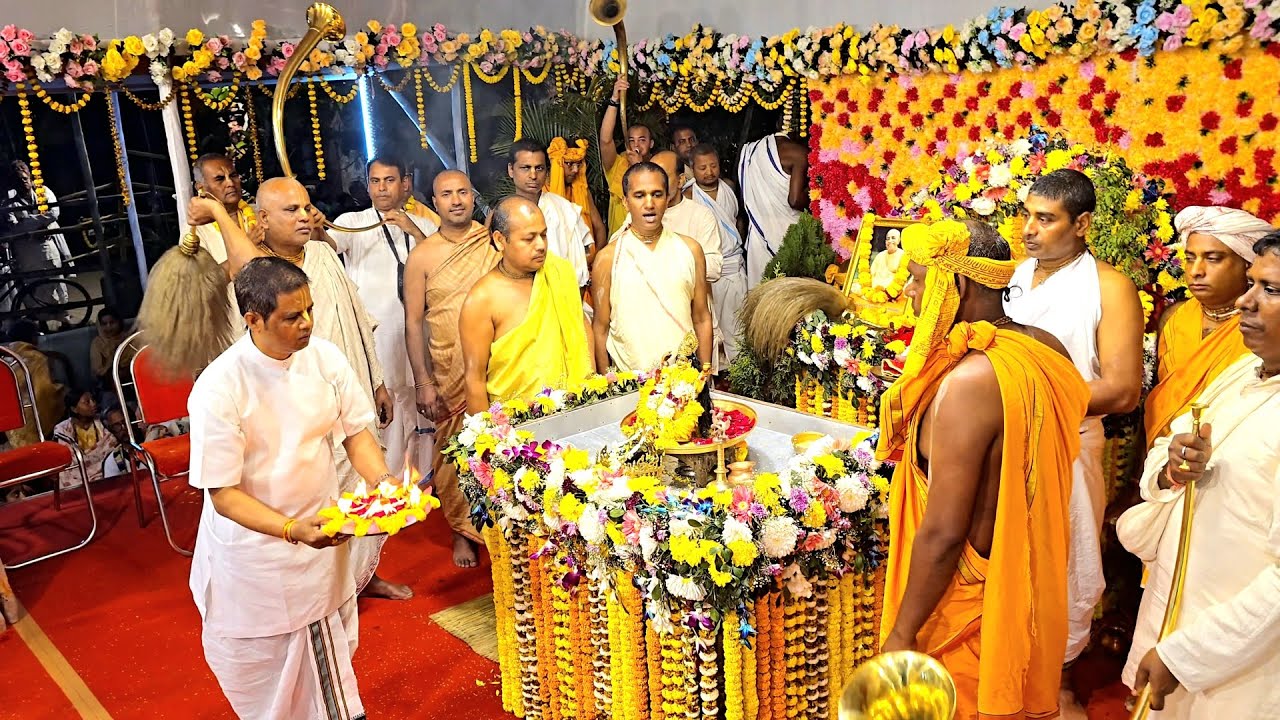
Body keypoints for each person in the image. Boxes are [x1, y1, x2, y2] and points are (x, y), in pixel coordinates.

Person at [877, 219, 1090, 720]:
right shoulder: (1045, 347)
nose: (907, 290)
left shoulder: (971, 382)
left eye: (918, 278)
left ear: (960, 285)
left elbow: (945, 532)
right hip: (1023, 587)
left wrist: (903, 632)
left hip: (961, 605)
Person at [189, 256, 409, 720]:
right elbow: (222, 495)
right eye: (292, 316)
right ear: (253, 319)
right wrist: (292, 529)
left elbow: (356, 433)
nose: (307, 323)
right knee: (271, 685)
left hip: (322, 535)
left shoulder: (325, 358)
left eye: (309, 310)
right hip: (258, 555)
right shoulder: (219, 388)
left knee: (328, 668)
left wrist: (383, 482)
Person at [187, 177, 404, 600]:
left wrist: (375, 378)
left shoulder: (322, 255)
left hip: (344, 387)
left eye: (307, 207)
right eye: (291, 210)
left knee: (355, 492)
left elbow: (358, 318)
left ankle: (358, 577)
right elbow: (223, 493)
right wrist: (216, 214)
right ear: (262, 220)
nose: (305, 216)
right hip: (282, 459)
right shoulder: (256, 282)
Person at [1122, 230, 1280, 718]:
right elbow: (1170, 441)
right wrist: (1171, 470)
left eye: (1270, 290)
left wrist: (1188, 656)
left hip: (1241, 667)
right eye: (1251, 284)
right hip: (1174, 619)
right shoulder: (1242, 371)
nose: (1246, 303)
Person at [1003, 168, 1144, 672]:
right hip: (1002, 442)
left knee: (1065, 563)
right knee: (1008, 559)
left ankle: (1054, 680)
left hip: (1066, 444)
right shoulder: (1016, 276)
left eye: (1045, 219)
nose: (1029, 230)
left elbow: (1124, 389)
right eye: (1027, 215)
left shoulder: (1109, 287)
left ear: (1082, 224)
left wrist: (1024, 397)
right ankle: (1006, 669)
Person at [322, 156, 438, 498]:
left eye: (390, 180)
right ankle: (386, 479)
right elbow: (326, 246)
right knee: (386, 402)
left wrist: (412, 230)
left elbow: (437, 260)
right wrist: (315, 226)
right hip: (377, 333)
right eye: (375, 181)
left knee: (422, 396)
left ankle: (426, 476)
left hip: (418, 329)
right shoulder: (352, 222)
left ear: (404, 183)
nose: (382, 187)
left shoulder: (423, 225)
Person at [403, 170, 499, 568]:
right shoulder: (423, 255)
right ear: (434, 202)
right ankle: (462, 531)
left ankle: (501, 528)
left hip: (498, 365)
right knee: (455, 453)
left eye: (463, 192)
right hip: (449, 366)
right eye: (447, 194)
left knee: (500, 452)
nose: (457, 200)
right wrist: (423, 381)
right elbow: (412, 323)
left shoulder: (493, 241)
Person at [1144, 206, 1269, 447]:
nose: (1196, 271)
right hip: (1164, 465)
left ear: (1247, 264)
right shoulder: (1175, 318)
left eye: (1212, 259)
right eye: (1190, 258)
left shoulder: (1265, 326)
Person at [459, 196, 593, 414]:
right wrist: (490, 441)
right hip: (516, 433)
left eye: (543, 235)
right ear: (500, 240)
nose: (541, 245)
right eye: (529, 239)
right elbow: (474, 379)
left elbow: (581, 329)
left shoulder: (560, 272)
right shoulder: (482, 299)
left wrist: (591, 393)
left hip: (575, 413)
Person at [591, 162, 713, 373]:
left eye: (657, 194)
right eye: (639, 195)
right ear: (625, 202)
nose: (649, 203)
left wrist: (705, 374)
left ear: (667, 199)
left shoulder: (690, 250)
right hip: (628, 382)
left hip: (683, 382)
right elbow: (600, 329)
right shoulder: (608, 258)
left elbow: (702, 317)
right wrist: (607, 388)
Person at [686, 143, 749, 366]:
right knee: (715, 323)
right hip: (710, 271)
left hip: (734, 264)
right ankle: (719, 368)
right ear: (692, 168)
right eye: (703, 168)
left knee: (739, 320)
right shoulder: (689, 195)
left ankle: (742, 365)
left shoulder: (730, 188)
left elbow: (738, 219)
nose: (709, 172)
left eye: (713, 166)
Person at [507, 139, 595, 291]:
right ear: (511, 170)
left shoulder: (565, 209)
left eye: (539, 168)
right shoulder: (502, 214)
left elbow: (586, 251)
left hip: (563, 297)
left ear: (547, 171)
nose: (533, 175)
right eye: (526, 168)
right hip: (516, 298)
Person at [737, 124, 809, 290]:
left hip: (758, 237)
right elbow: (795, 200)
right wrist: (816, 198)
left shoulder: (750, 151)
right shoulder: (797, 152)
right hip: (788, 236)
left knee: (761, 298)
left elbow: (745, 197)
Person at [3, 160, 69, 322]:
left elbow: (53, 212)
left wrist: (28, 225)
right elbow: (15, 227)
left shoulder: (43, 191)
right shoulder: (9, 202)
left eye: (25, 178)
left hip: (49, 246)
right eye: (18, 180)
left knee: (57, 282)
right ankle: (41, 324)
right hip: (27, 254)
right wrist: (39, 224)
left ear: (30, 177)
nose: (23, 182)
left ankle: (64, 319)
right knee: (34, 288)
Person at [599, 76, 656, 235]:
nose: (636, 145)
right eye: (631, 140)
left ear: (651, 143)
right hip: (619, 242)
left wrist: (639, 167)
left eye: (642, 140)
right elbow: (605, 140)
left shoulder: (658, 166)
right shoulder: (617, 163)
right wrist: (614, 99)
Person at [3, 319, 64, 449]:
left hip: (6, 421)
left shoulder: (4, 359)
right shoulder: (36, 358)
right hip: (29, 419)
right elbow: (45, 391)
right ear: (32, 337)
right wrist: (61, 391)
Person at [190, 154, 258, 266]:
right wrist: (248, 246)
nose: (230, 183)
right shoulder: (195, 230)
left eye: (233, 176)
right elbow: (203, 282)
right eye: (220, 179)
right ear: (200, 187)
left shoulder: (258, 212)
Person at [547, 137, 607, 249]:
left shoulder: (582, 190)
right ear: (556, 164)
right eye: (569, 163)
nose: (575, 170)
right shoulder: (543, 193)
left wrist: (597, 259)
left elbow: (599, 228)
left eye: (578, 164)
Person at [89, 306, 133, 390]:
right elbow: (98, 371)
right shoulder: (98, 343)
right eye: (104, 324)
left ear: (119, 322)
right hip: (108, 385)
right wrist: (112, 357)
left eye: (112, 323)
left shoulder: (128, 339)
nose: (109, 327)